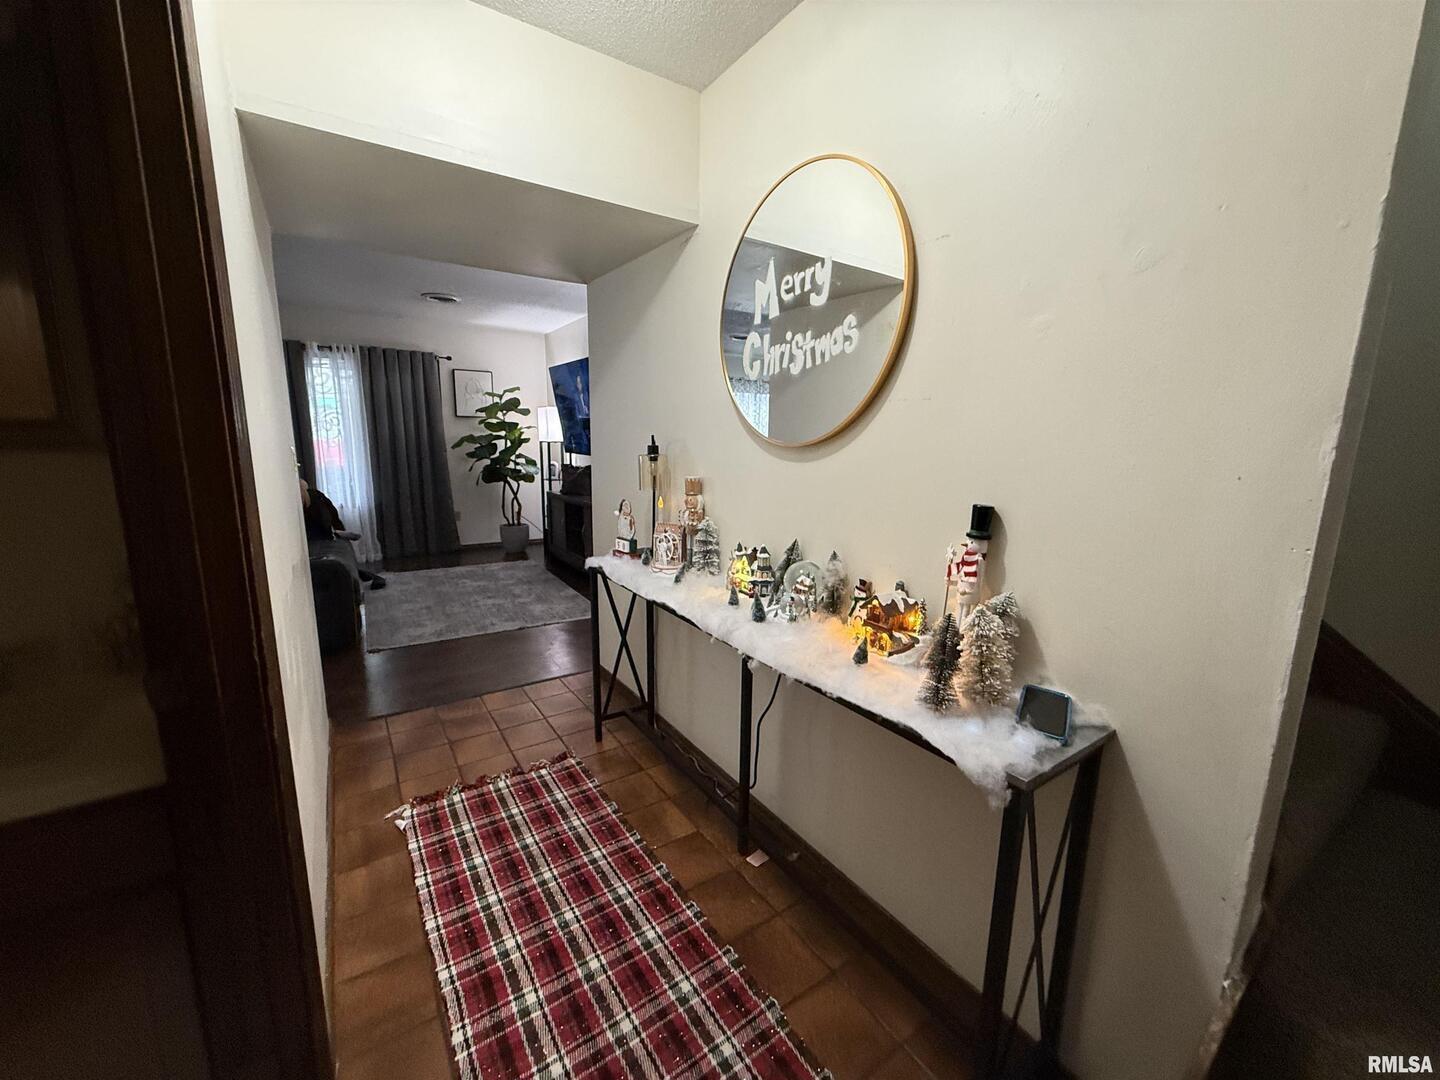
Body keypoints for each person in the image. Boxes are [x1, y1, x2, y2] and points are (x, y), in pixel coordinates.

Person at [300, 478, 386, 590]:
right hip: (317, 535)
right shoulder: (313, 498)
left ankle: (336, 533)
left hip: (321, 532)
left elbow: (330, 516)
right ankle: (337, 533)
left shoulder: (315, 497)